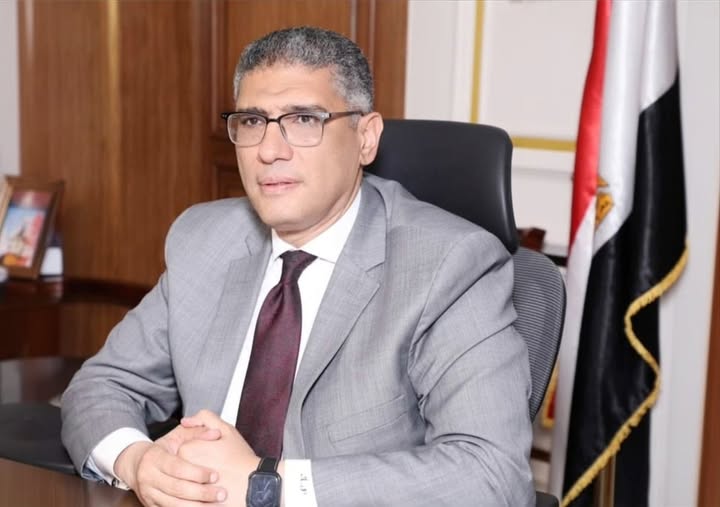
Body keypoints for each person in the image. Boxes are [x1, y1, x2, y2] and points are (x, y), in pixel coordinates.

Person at [61, 26, 534, 506]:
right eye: (252, 121)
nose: (269, 150)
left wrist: (268, 484)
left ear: (366, 138)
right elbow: (102, 385)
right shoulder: (204, 239)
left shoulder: (449, 265)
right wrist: (138, 462)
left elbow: (492, 475)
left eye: (304, 119)